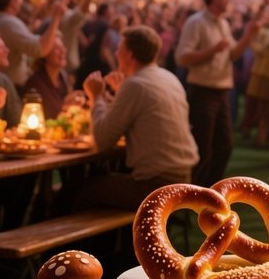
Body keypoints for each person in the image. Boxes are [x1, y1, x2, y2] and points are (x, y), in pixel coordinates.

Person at [79, 25, 199, 210]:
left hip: (156, 187)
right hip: (184, 179)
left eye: (120, 49)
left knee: (80, 189)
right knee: (107, 181)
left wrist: (96, 97)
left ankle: (82, 239)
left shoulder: (136, 84)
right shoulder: (169, 78)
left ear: (130, 55)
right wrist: (120, 93)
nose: (116, 53)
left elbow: (102, 141)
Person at [175, 0, 260, 188]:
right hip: (202, 92)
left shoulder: (222, 23)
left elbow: (232, 54)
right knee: (203, 148)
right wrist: (212, 50)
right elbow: (182, 58)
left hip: (222, 91)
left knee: (225, 145)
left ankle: (209, 190)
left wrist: (248, 35)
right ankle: (193, 193)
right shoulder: (196, 23)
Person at [0, 0, 66, 90]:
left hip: (1, 83)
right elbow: (40, 49)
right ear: (12, 1)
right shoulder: (8, 23)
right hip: (9, 86)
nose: (21, 0)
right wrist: (56, 18)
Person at [239, 6, 269, 148]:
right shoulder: (265, 30)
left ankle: (263, 134)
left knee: (268, 106)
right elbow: (257, 43)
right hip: (258, 70)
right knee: (251, 101)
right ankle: (248, 128)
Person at [23, 36, 83, 119]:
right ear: (45, 53)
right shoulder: (35, 83)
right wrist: (65, 104)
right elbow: (48, 115)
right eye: (57, 49)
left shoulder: (63, 76)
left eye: (62, 47)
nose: (63, 51)